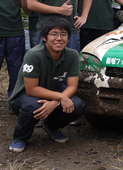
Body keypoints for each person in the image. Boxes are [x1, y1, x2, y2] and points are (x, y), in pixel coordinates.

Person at [8, 17, 86, 152]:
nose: (59, 38)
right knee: (33, 105)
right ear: (44, 37)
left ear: (68, 38)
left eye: (63, 34)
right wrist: (60, 98)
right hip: (24, 98)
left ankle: (51, 126)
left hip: (51, 97)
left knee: (78, 105)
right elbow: (31, 89)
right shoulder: (34, 54)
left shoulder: (72, 55)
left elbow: (72, 86)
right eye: (54, 34)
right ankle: (20, 137)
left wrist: (55, 102)